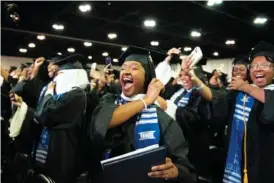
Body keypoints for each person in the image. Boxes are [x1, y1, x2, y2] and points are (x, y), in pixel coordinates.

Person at [90, 47, 196, 183]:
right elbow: (101, 123)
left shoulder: (161, 117)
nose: (126, 71)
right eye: (123, 68)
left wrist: (176, 170)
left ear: (147, 77)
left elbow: (184, 167)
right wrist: (146, 100)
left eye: (134, 68)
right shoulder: (109, 101)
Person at [182, 41, 274, 183]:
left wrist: (246, 87)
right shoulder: (242, 93)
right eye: (254, 66)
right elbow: (217, 99)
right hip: (237, 158)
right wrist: (194, 79)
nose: (258, 69)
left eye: (265, 66)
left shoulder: (251, 90)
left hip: (265, 163)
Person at [33, 54, 97, 183]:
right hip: (55, 150)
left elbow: (45, 114)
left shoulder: (77, 95)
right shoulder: (68, 95)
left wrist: (49, 92)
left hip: (66, 154)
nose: (56, 79)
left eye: (60, 74)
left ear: (71, 76)